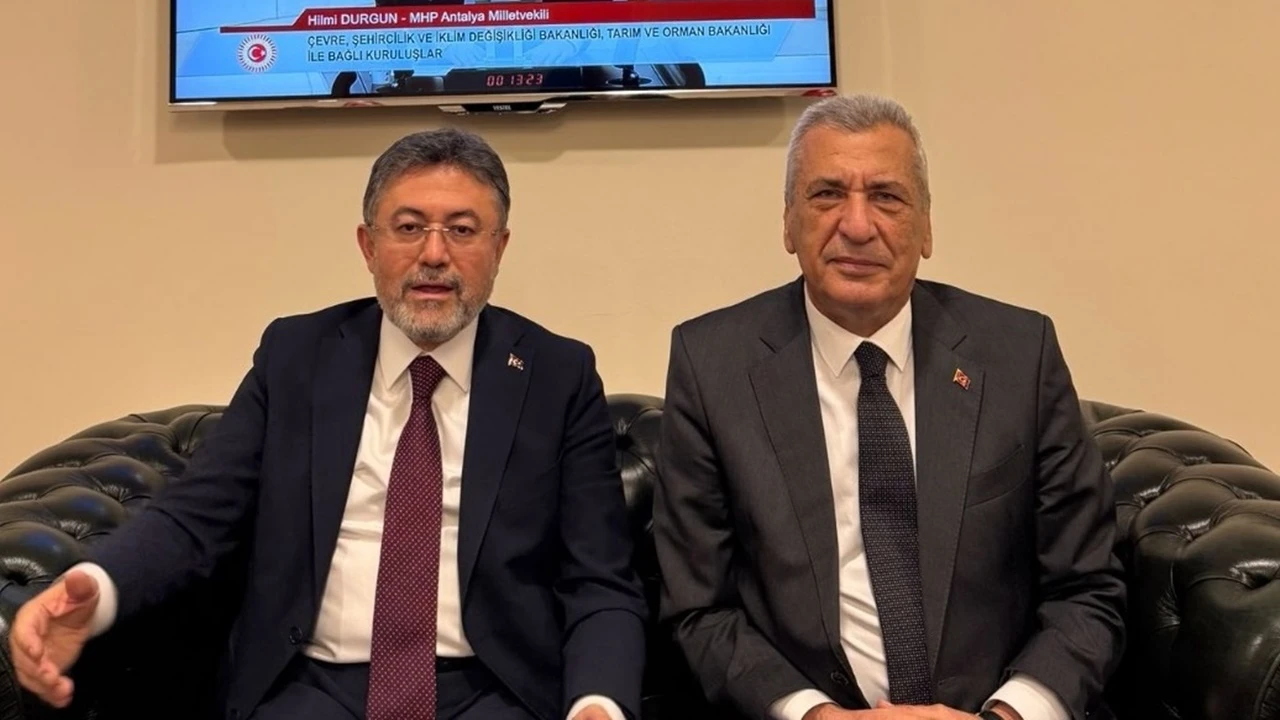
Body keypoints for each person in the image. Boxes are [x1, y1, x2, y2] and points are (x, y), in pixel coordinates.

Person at [10, 128, 647, 720]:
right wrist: (94, 588)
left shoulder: (556, 375)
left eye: (462, 229)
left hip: (493, 692)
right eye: (408, 227)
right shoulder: (297, 356)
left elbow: (599, 578)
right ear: (369, 245)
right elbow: (195, 517)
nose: (434, 254)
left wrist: (598, 703)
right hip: (308, 687)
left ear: (499, 248)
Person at [653, 94, 1126, 720]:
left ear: (926, 227)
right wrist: (813, 715)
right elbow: (700, 608)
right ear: (788, 223)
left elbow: (1088, 589)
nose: (856, 225)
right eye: (827, 194)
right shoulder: (712, 365)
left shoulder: (1019, 355)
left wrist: (1008, 714)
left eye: (886, 196)